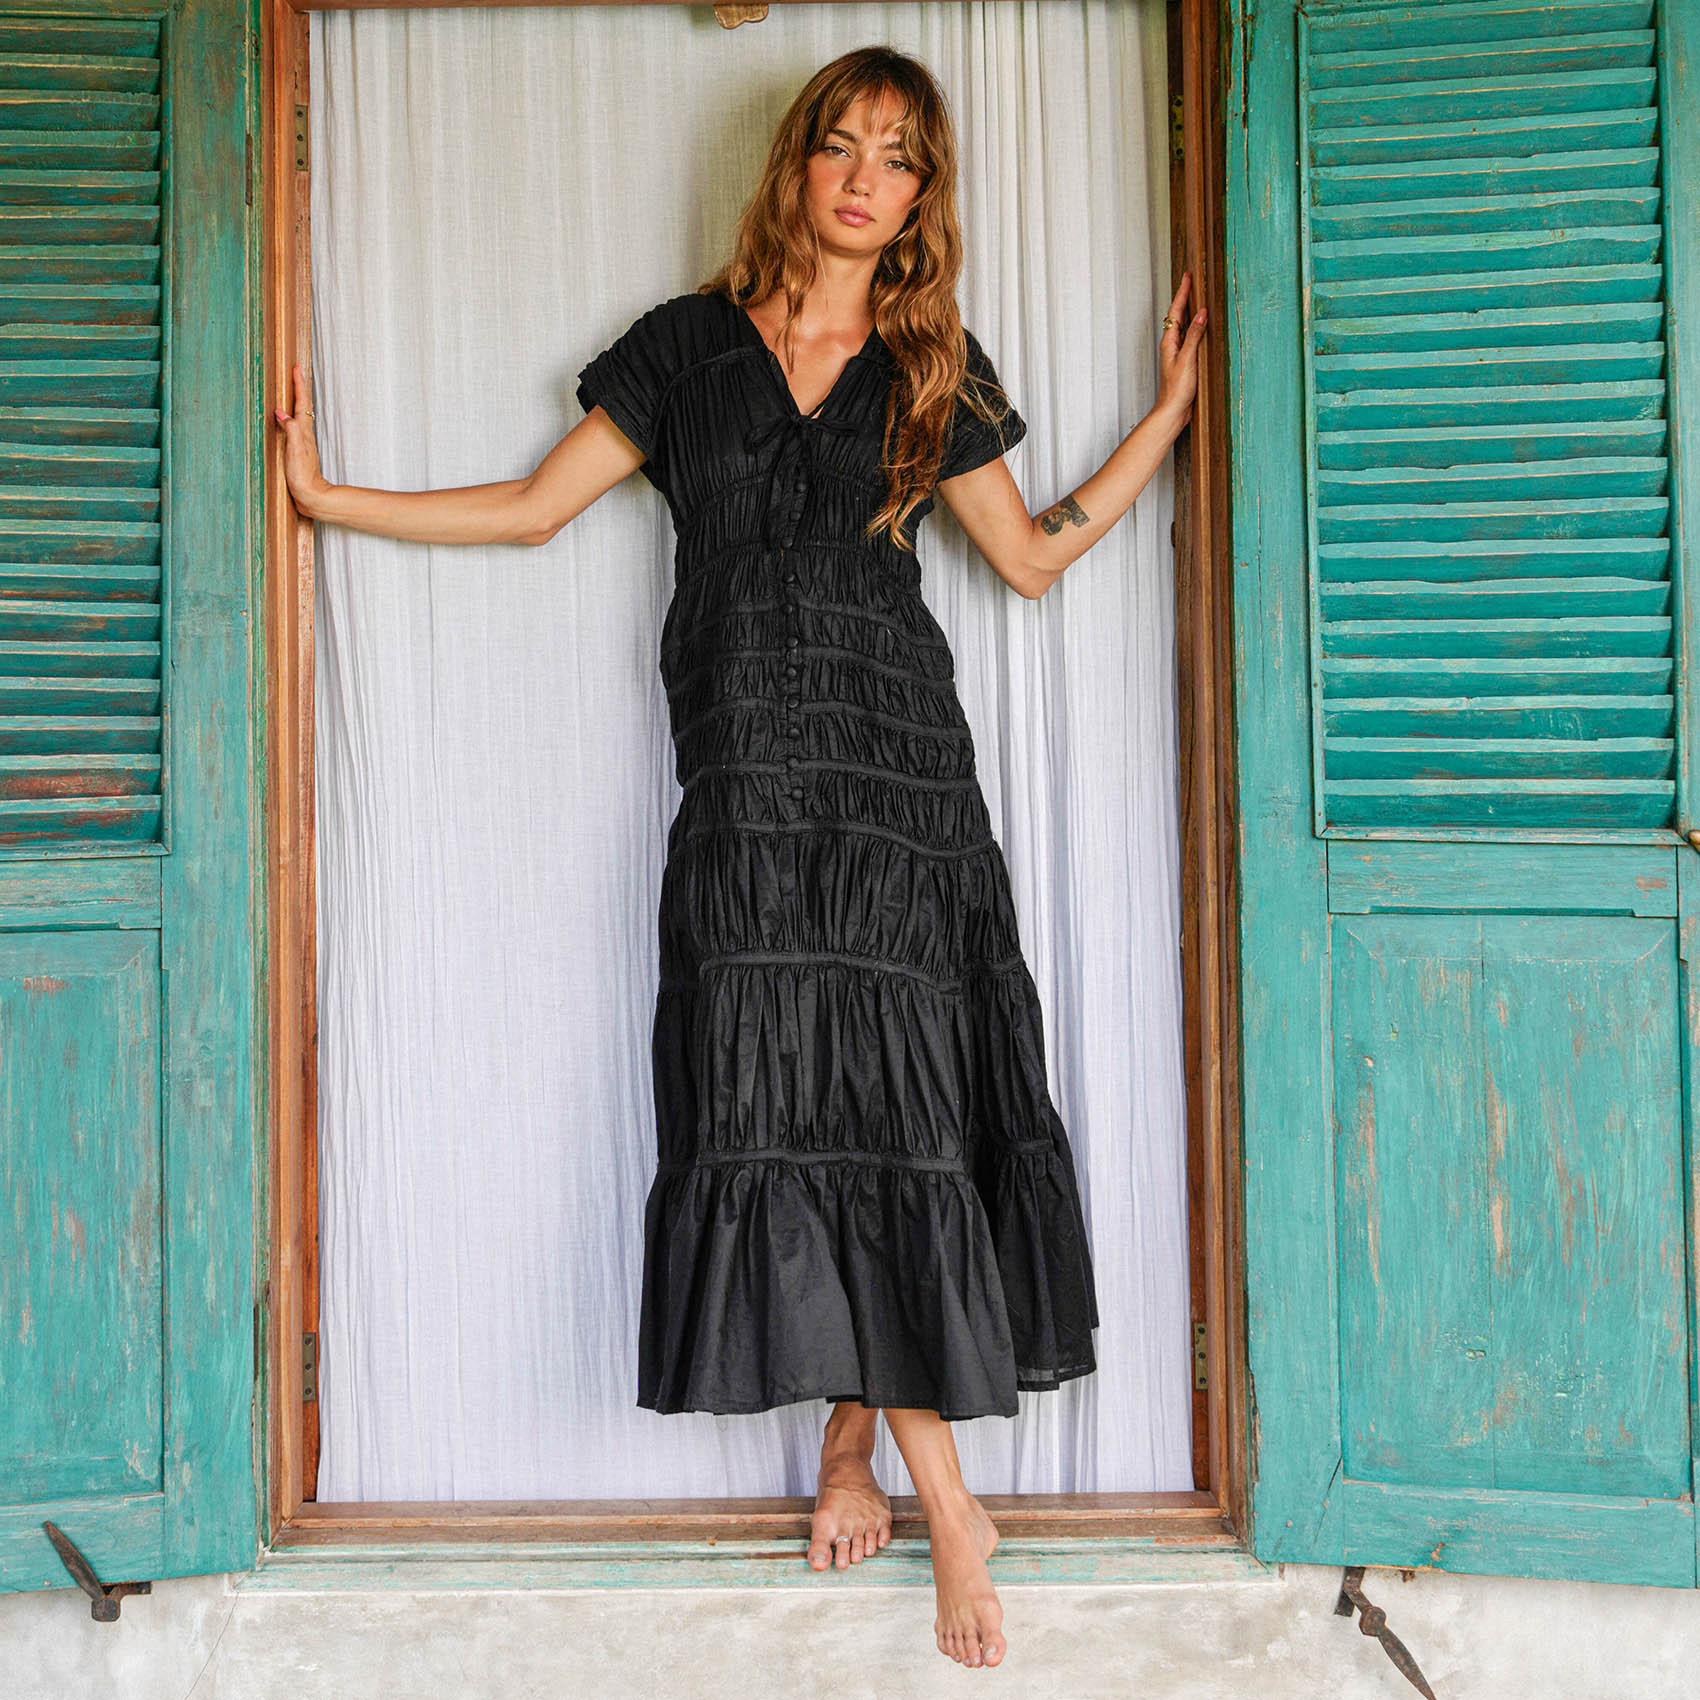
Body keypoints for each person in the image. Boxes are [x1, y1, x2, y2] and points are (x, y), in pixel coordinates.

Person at [276, 43, 1205, 1672]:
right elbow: (527, 509)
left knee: (896, 1112)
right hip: (750, 788)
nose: (864, 176)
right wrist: (324, 493)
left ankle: (921, 1485)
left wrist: (1171, 417)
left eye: (898, 157)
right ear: (794, 166)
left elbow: (1035, 559)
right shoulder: (682, 354)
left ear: (922, 196)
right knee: (783, 1100)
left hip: (901, 784)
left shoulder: (931, 362)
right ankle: (899, 1470)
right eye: (840, 144)